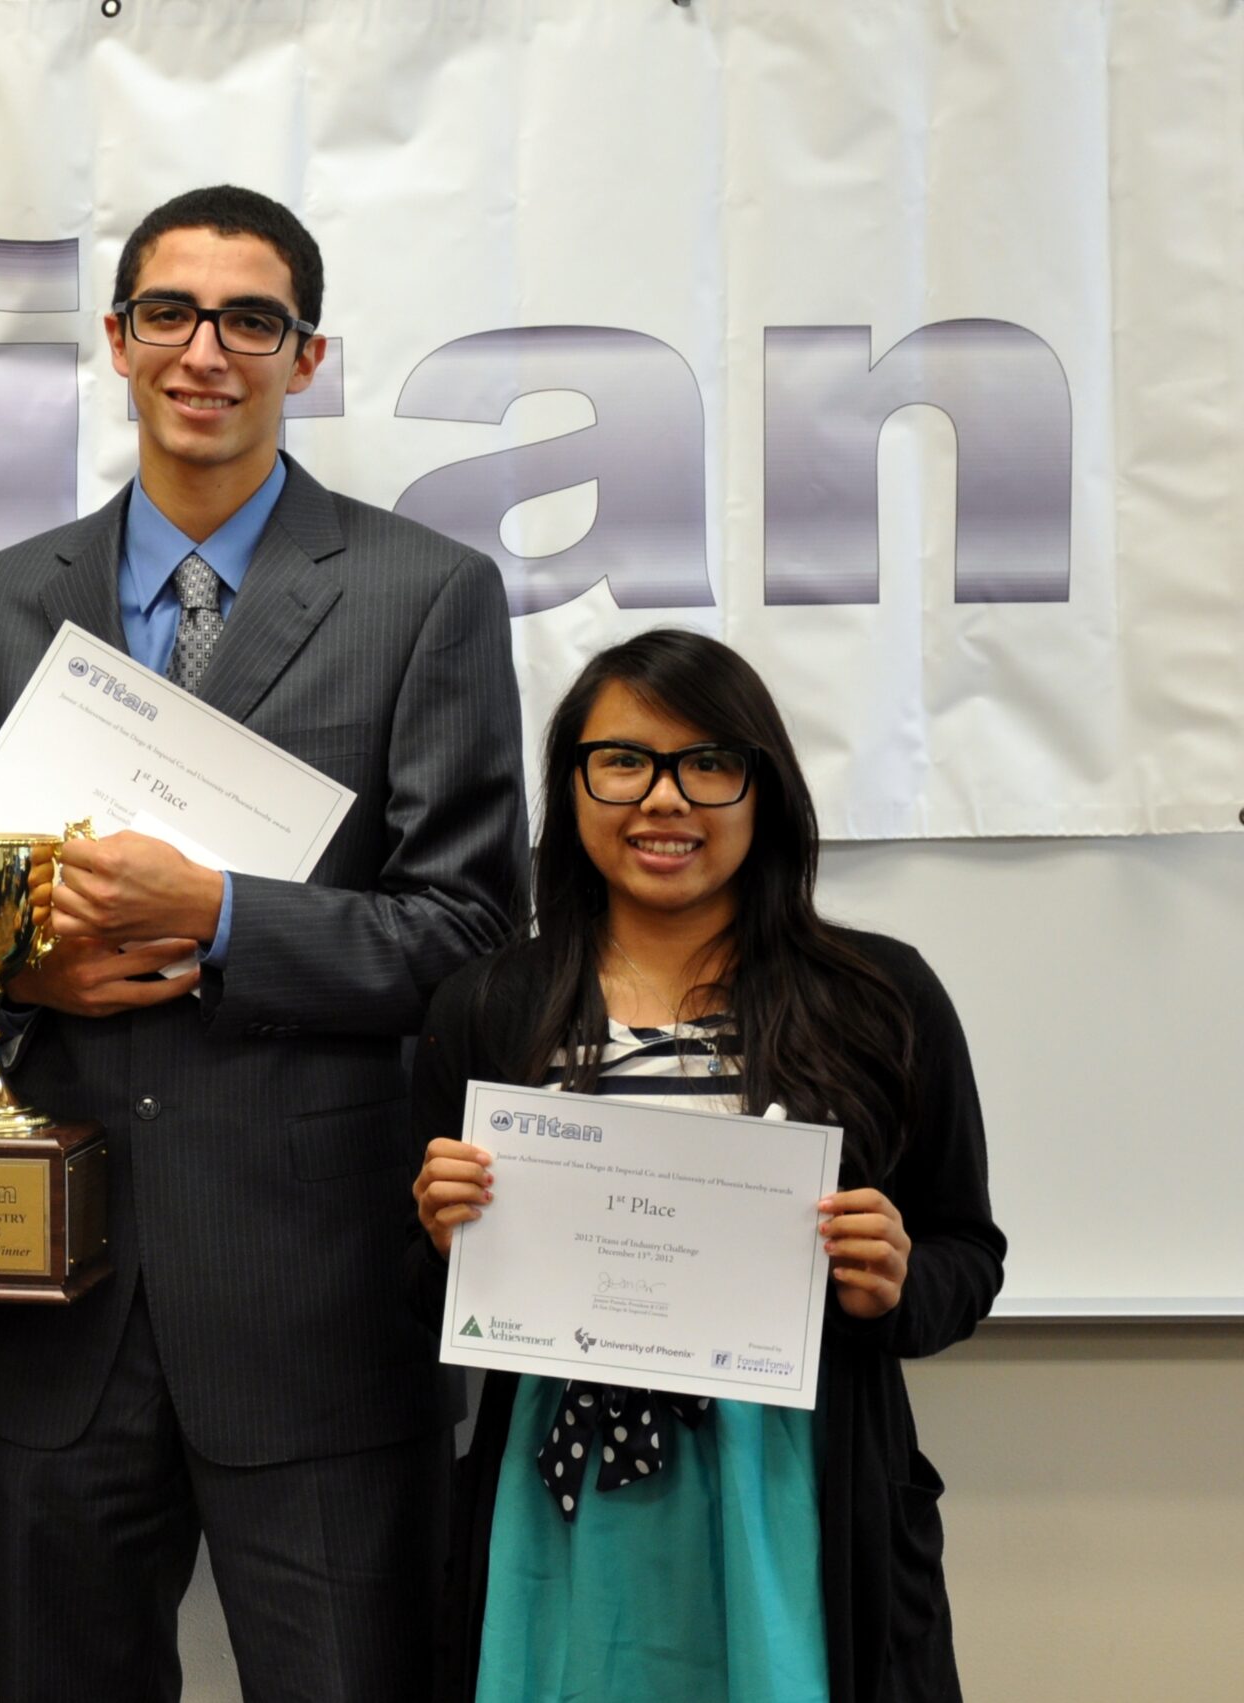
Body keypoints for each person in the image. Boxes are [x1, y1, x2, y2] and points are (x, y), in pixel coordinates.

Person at [0, 184, 528, 1700]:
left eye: (250, 319)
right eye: (170, 313)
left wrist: (221, 916)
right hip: (54, 1295)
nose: (206, 351)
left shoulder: (424, 594)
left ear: (306, 355)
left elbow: (472, 936)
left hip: (314, 1299)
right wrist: (24, 972)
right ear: (116, 341)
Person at [404, 628, 1006, 1702]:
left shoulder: (880, 999)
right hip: (555, 1493)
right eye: (623, 761)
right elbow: (411, 1294)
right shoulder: (488, 1006)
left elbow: (968, 1251)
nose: (663, 798)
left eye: (708, 764)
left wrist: (897, 1280)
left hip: (793, 1492)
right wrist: (443, 1242)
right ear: (572, 784)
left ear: (761, 789)